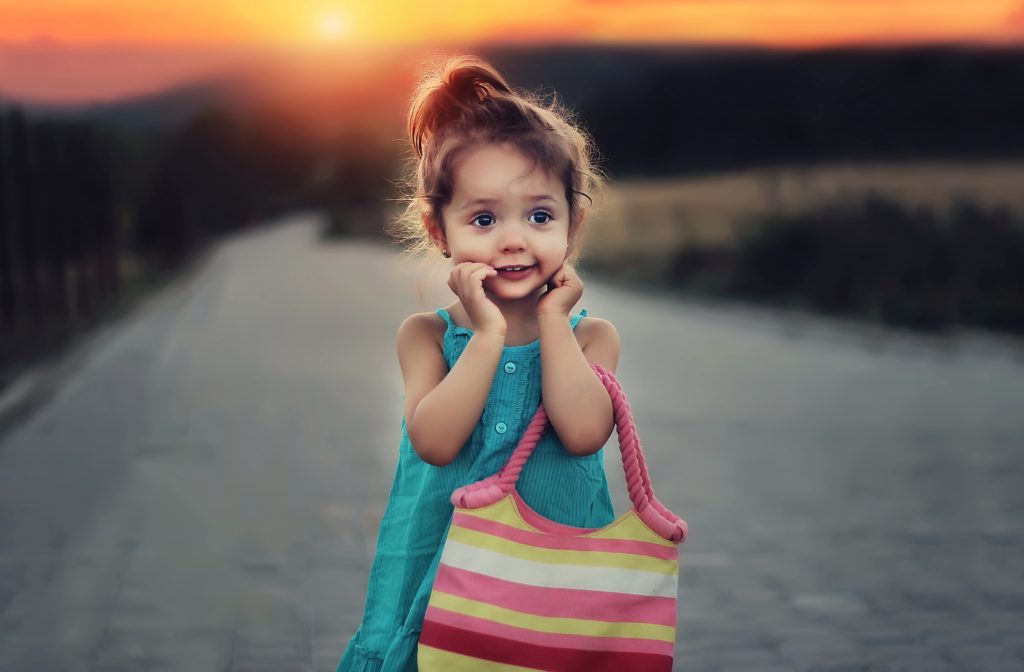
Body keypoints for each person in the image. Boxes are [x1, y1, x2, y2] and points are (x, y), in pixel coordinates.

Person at [337, 54, 623, 672]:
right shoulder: (425, 337)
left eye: (540, 216)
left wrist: (551, 324)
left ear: (573, 224)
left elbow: (582, 431)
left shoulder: (592, 338)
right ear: (439, 230)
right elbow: (436, 441)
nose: (514, 239)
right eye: (484, 218)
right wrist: (487, 335)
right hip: (436, 587)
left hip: (548, 596)